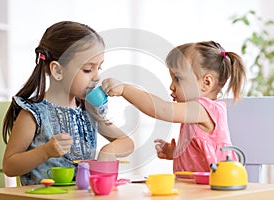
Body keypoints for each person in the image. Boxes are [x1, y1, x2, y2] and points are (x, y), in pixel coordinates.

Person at [2, 21, 134, 185]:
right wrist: (45, 151)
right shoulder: (34, 115)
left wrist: (108, 151)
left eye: (98, 68)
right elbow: (9, 166)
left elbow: (127, 142)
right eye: (87, 69)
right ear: (57, 70)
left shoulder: (89, 110)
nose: (97, 76)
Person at [102, 41, 246, 173]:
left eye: (177, 78)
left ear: (206, 83)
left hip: (211, 193)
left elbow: (162, 109)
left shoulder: (203, 109)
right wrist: (177, 152)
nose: (171, 86)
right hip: (193, 190)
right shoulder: (196, 111)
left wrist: (124, 89)